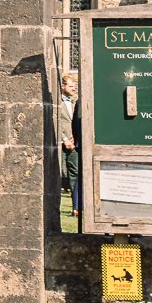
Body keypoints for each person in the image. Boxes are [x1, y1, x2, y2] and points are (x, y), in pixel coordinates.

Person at [56, 70, 83, 215]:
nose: (73, 89)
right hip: (60, 144)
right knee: (58, 174)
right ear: (63, 86)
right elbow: (56, 122)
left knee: (75, 174)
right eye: (71, 86)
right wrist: (64, 139)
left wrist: (74, 138)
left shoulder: (73, 103)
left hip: (73, 144)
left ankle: (76, 206)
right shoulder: (57, 103)